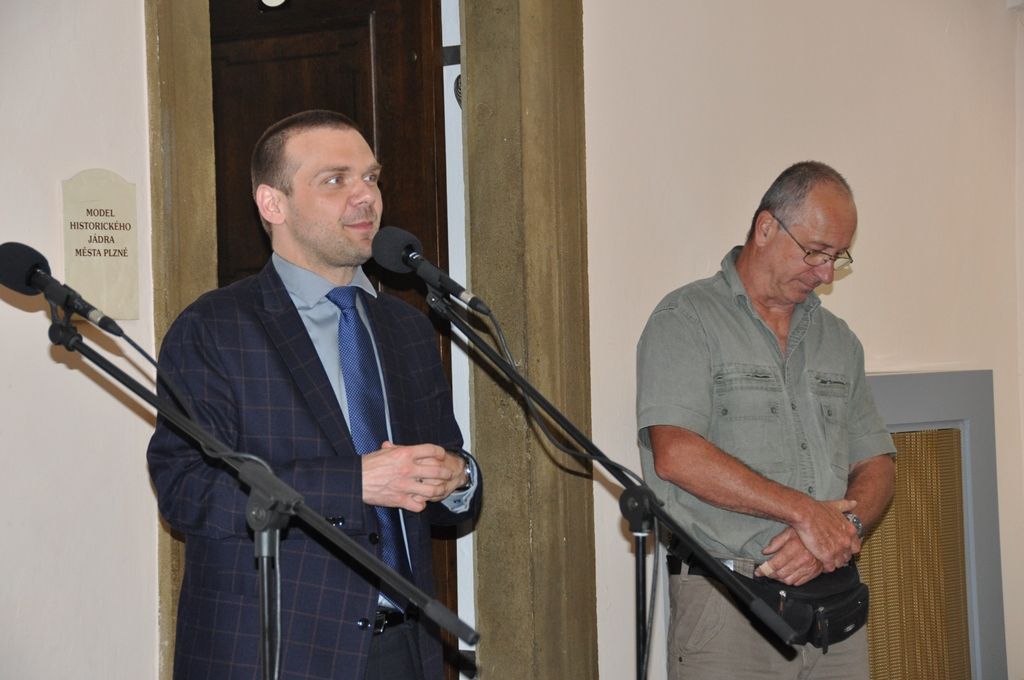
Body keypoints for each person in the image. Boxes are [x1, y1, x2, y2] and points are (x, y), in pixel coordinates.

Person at [148, 109, 481, 680]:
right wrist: (354, 483)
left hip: (407, 648)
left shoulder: (405, 328)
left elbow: (448, 474)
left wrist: (458, 477)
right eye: (335, 180)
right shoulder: (216, 328)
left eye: (371, 177)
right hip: (276, 652)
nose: (365, 196)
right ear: (272, 204)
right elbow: (187, 489)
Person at [636, 161, 896, 679]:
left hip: (833, 606)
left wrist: (839, 530)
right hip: (729, 605)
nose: (826, 274)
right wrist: (805, 514)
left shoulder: (839, 340)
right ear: (766, 227)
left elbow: (877, 463)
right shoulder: (686, 319)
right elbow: (676, 455)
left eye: (837, 257)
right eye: (816, 252)